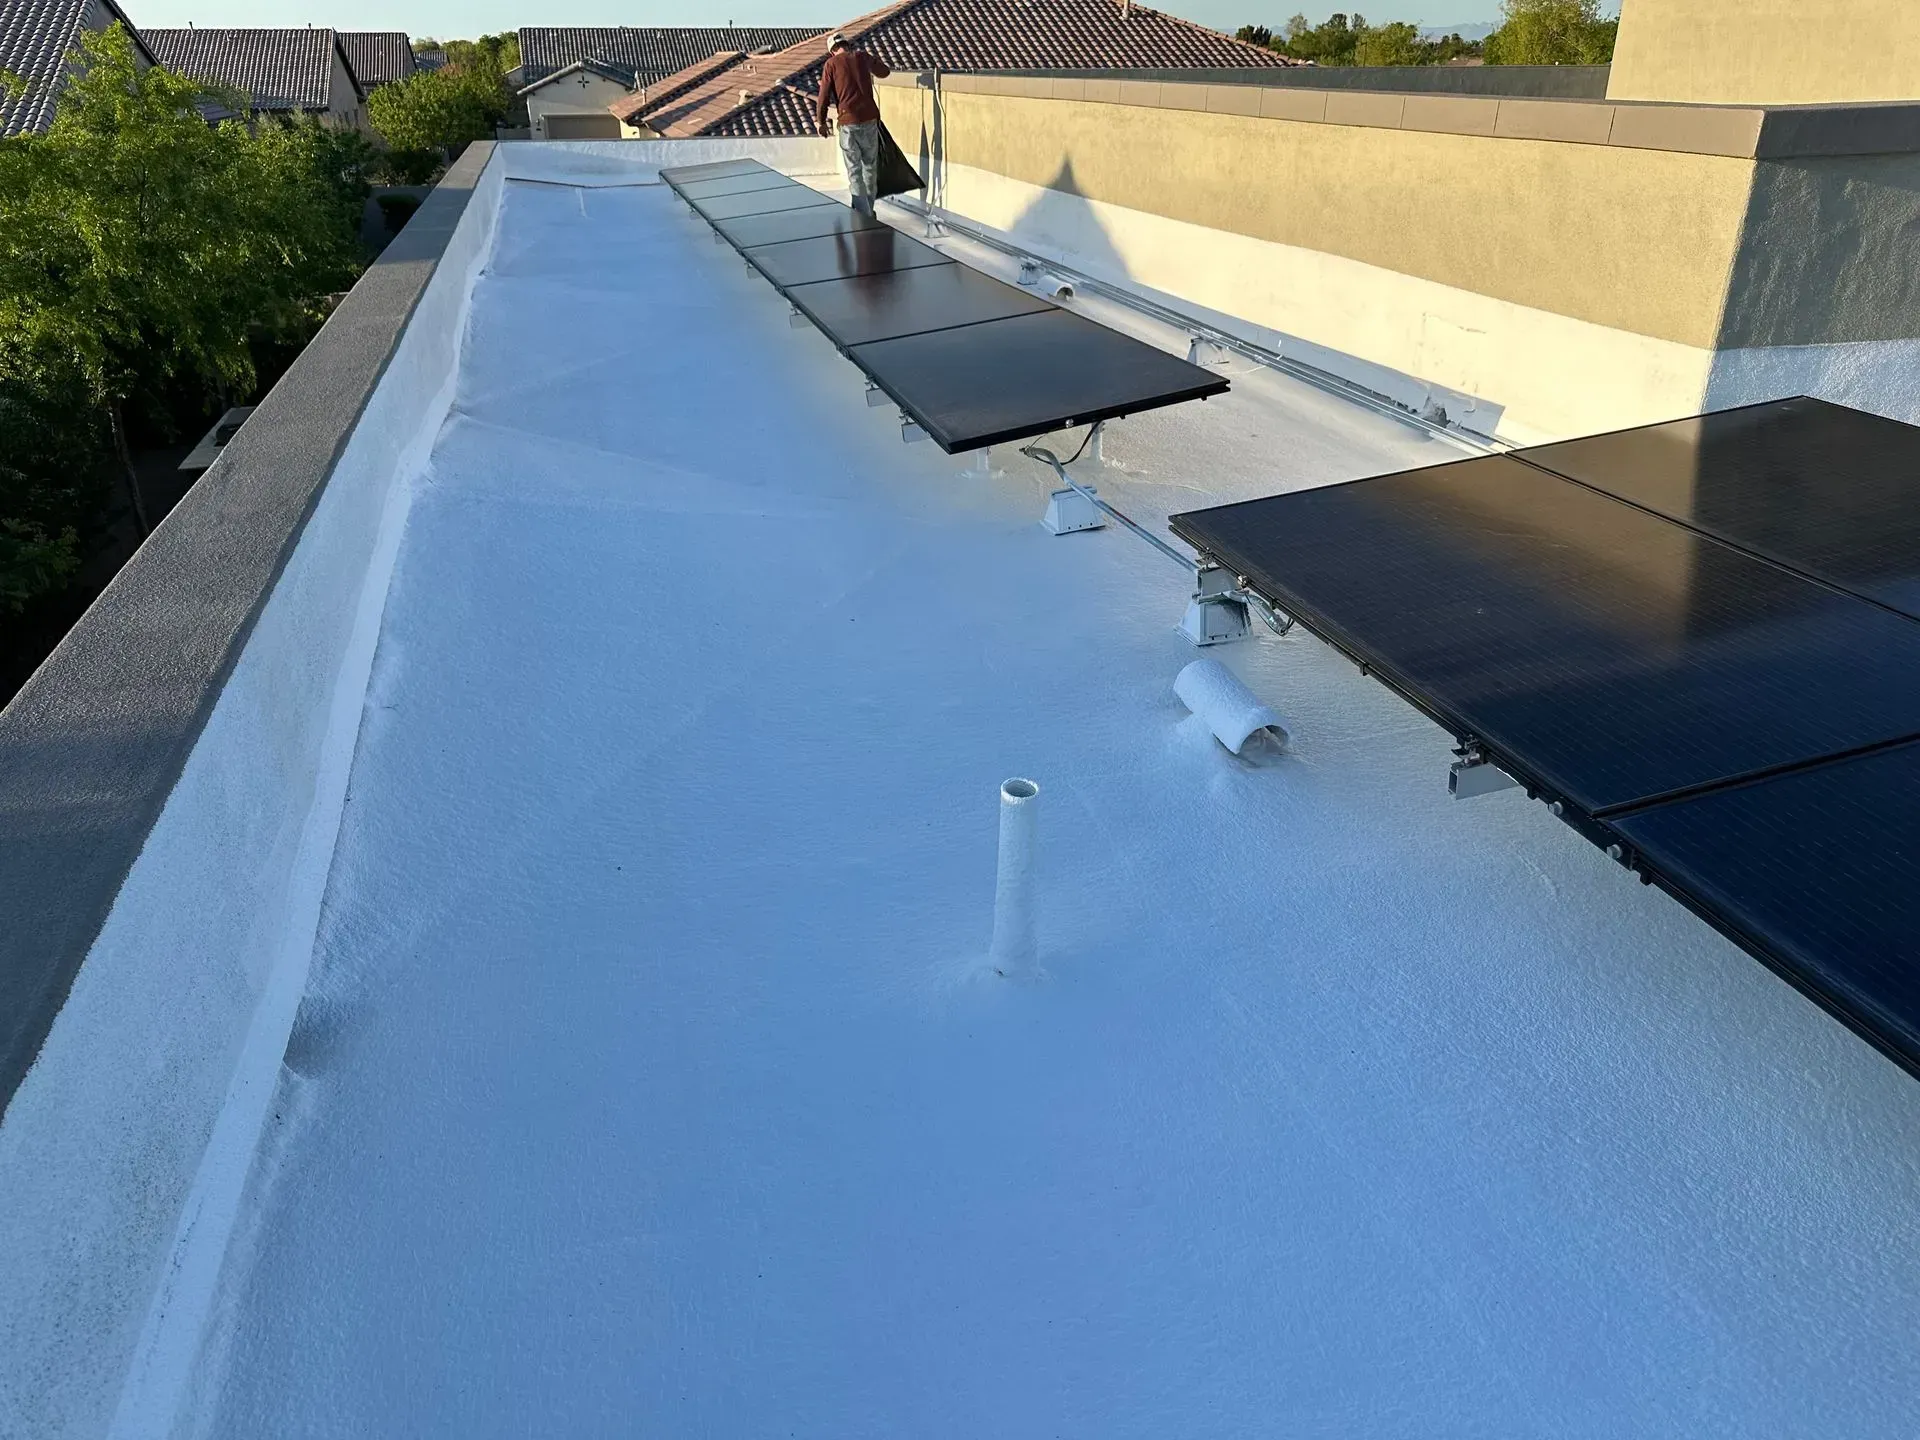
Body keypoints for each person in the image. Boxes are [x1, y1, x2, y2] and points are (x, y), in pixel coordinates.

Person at [815, 33, 891, 217]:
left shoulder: (831, 64)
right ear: (847, 45)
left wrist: (821, 122)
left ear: (832, 51)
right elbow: (885, 72)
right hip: (870, 120)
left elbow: (823, 97)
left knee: (854, 171)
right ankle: (868, 210)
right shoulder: (862, 56)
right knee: (870, 168)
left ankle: (864, 215)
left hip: (848, 122)